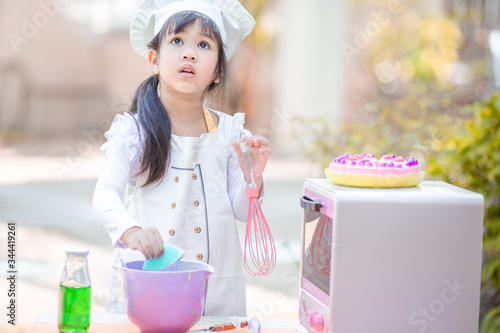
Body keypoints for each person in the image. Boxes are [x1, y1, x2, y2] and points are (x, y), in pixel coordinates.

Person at [92, 0, 271, 317]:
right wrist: (132, 232)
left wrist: (252, 177)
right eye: (177, 41)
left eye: (203, 44)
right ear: (154, 58)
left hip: (217, 289)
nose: (189, 53)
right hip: (150, 284)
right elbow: (105, 193)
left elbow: (242, 210)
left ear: (217, 71)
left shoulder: (230, 133)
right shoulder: (136, 130)